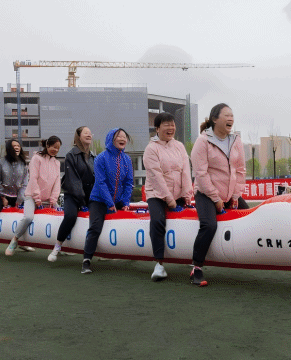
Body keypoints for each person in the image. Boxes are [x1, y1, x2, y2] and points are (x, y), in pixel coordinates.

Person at [188, 103, 248, 287]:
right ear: (215, 119)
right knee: (209, 225)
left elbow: (241, 170)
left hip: (230, 194)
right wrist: (215, 198)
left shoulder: (236, 140)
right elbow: (201, 173)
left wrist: (235, 196)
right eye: (226, 115)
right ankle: (196, 267)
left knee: (248, 217)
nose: (231, 118)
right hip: (206, 193)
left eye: (232, 115)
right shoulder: (203, 141)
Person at [144, 112, 193, 282]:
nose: (171, 128)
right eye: (166, 125)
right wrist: (169, 200)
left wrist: (187, 194)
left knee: (189, 219)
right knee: (157, 221)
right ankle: (159, 264)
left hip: (178, 193)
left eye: (172, 124)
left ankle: (189, 256)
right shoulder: (151, 149)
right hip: (156, 194)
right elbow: (156, 177)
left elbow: (186, 171)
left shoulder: (179, 146)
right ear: (157, 128)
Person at [81, 128, 133, 275]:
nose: (123, 139)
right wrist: (110, 204)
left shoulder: (127, 159)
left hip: (118, 200)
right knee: (95, 227)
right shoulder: (101, 158)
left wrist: (125, 203)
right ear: (111, 139)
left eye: (124, 136)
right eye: (119, 136)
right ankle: (86, 260)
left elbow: (129, 183)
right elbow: (101, 182)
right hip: (98, 200)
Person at [49, 126, 95, 262]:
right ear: (78, 137)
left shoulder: (94, 156)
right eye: (85, 133)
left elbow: (96, 179)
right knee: (70, 216)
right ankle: (58, 246)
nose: (89, 135)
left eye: (90, 133)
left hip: (89, 195)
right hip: (73, 195)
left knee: (100, 214)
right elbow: (74, 181)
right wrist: (82, 202)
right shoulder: (71, 155)